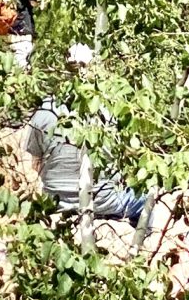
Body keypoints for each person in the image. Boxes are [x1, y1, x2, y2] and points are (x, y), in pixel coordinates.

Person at [22, 45, 148, 224]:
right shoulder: (110, 107)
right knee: (147, 197)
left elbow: (36, 165)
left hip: (55, 201)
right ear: (93, 68)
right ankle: (144, 244)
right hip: (103, 201)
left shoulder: (45, 109)